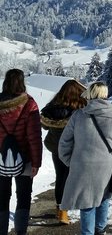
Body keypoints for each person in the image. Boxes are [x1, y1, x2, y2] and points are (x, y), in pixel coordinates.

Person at [58, 82, 112, 235]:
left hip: (82, 165)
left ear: (90, 94)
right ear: (106, 94)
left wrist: (70, 162)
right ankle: (100, 229)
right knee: (103, 198)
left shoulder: (78, 115)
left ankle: (87, 232)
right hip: (106, 165)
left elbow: (64, 143)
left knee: (87, 202)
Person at [0, 69, 42, 235]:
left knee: (1, 198)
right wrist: (36, 162)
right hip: (25, 158)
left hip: (0, 160)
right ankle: (20, 232)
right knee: (23, 197)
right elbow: (34, 137)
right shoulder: (29, 104)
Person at [40, 79, 86, 225]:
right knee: (74, 177)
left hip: (56, 147)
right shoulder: (81, 107)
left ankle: (61, 210)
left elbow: (45, 125)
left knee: (61, 177)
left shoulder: (52, 106)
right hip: (76, 147)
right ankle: (68, 208)